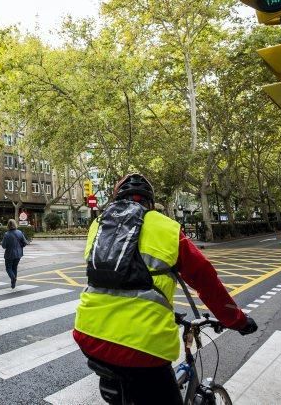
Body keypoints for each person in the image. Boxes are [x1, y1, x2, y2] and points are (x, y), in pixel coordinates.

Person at [74, 173, 257, 405]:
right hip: (141, 347)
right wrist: (237, 320)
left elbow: (116, 283)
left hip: (88, 335)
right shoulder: (167, 228)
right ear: (150, 203)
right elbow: (206, 280)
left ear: (116, 199)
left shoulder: (97, 226)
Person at [1, 219, 29, 289]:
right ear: (15, 224)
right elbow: (25, 242)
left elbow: (4, 246)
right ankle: (13, 283)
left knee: (8, 268)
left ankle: (13, 278)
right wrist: (20, 247)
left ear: (8, 225)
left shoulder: (6, 234)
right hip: (19, 254)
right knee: (14, 268)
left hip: (9, 254)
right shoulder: (19, 232)